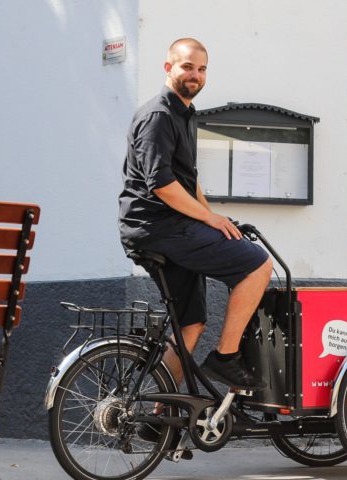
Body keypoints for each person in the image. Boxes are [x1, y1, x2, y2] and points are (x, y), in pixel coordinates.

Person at [118, 38, 272, 390]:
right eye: (188, 66)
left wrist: (213, 215)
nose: (195, 75)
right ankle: (225, 359)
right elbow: (162, 185)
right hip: (160, 226)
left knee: (190, 324)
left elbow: (188, 179)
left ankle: (160, 415)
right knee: (258, 265)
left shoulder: (184, 114)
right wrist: (209, 220)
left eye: (202, 69)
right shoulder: (158, 115)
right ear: (168, 66)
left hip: (164, 226)